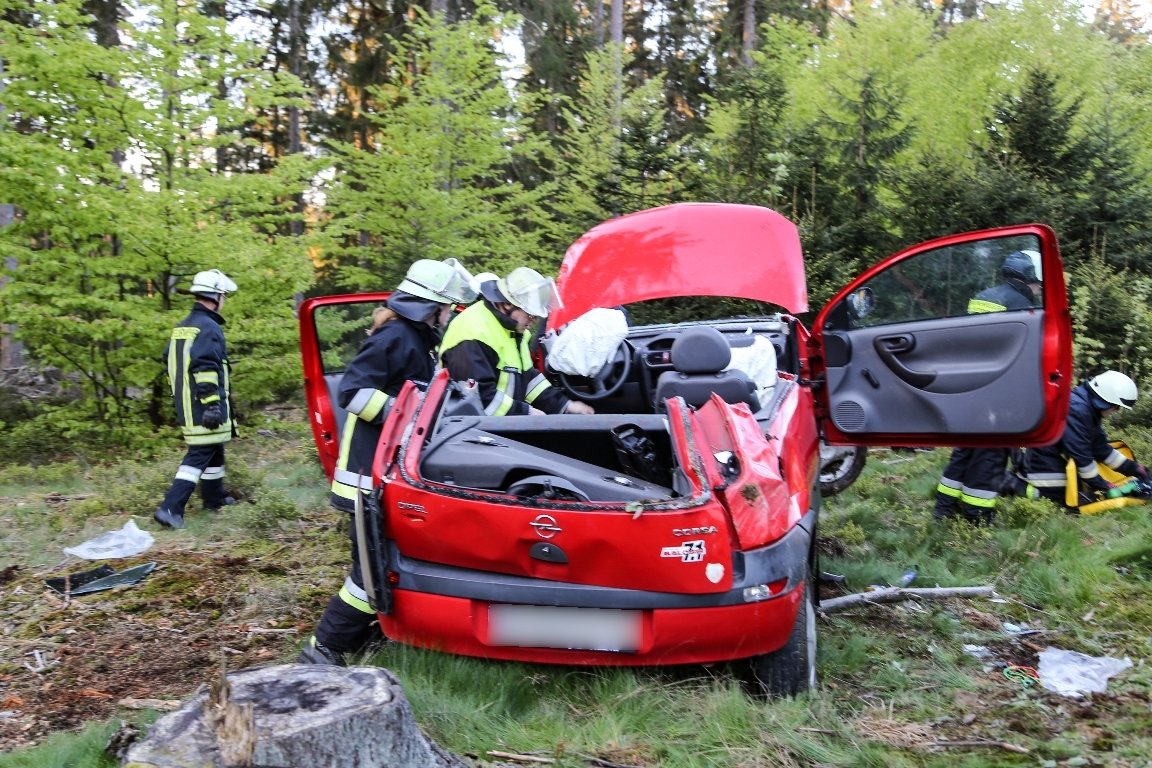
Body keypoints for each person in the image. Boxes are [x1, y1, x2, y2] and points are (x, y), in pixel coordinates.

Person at [300, 258, 477, 666]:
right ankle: (325, 649)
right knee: (370, 572)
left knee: (382, 562)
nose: (448, 314)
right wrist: (407, 413)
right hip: (364, 478)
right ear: (428, 305)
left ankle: (369, 637)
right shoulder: (397, 336)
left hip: (383, 474)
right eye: (445, 306)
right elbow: (354, 392)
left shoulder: (414, 337)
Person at [933, 250, 1043, 524]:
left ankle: (944, 510)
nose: (1041, 288)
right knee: (990, 456)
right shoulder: (1024, 306)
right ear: (1032, 276)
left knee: (965, 450)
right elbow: (1020, 356)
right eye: (1040, 282)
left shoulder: (983, 296)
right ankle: (978, 517)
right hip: (998, 394)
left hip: (972, 388)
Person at [440, 267, 595, 416]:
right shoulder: (473, 330)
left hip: (495, 427)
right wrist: (527, 413)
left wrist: (565, 405)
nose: (533, 321)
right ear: (508, 304)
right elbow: (478, 398)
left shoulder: (513, 332)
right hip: (468, 432)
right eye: (530, 315)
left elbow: (529, 381)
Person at [154, 269, 239, 530]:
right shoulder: (209, 327)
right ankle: (170, 508)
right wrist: (212, 404)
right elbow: (205, 368)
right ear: (215, 296)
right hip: (203, 406)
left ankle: (214, 499)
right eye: (223, 296)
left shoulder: (183, 327)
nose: (224, 300)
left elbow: (169, 360)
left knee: (213, 450)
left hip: (187, 406)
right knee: (199, 454)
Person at [1018, 371, 1147, 509]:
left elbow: (1101, 449)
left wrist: (1135, 469)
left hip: (1049, 459)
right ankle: (1011, 484)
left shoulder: (1088, 410)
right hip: (1040, 463)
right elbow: (1082, 458)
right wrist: (1106, 486)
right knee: (1067, 500)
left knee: (1080, 490)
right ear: (1104, 400)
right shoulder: (1076, 410)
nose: (1117, 410)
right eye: (1116, 406)